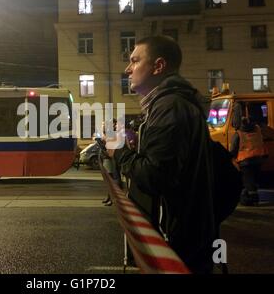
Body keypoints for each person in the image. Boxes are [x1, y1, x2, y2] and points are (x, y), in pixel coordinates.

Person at [107, 35, 216, 273]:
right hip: (182, 236)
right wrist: (138, 146)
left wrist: (119, 152)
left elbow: (155, 177)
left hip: (176, 242)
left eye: (135, 61)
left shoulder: (170, 107)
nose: (128, 69)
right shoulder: (170, 104)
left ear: (158, 66)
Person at [230, 116, 266, 206]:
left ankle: (254, 200)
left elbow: (233, 149)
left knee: (248, 183)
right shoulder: (257, 129)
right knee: (252, 181)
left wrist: (231, 158)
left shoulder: (238, 133)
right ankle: (246, 199)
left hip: (245, 161)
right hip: (258, 159)